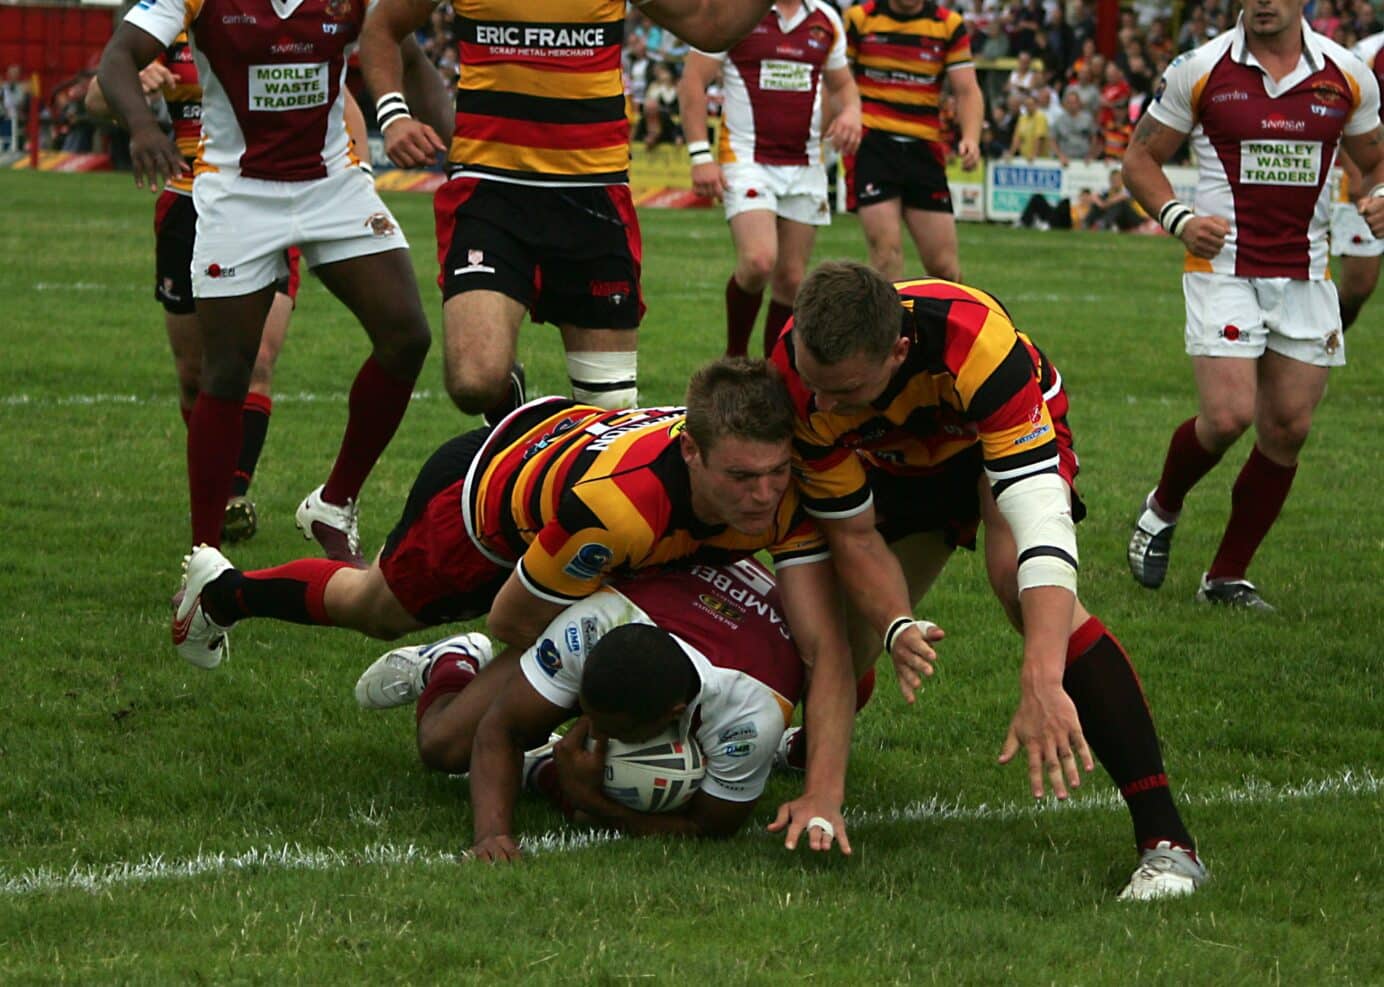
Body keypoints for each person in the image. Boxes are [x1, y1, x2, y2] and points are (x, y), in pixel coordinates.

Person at [173, 357, 856, 854]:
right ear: (694, 454)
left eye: (774, 472)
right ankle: (226, 591)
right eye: (743, 476)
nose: (766, 494)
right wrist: (590, 692)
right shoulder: (617, 514)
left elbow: (825, 646)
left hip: (581, 471)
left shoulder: (778, 486)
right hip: (489, 513)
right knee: (374, 606)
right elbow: (513, 618)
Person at [770, 261, 1207, 900]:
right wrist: (895, 624)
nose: (823, 402)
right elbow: (855, 536)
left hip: (987, 437)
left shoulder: (977, 344)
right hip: (890, 453)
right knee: (850, 638)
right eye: (817, 385)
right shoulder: (800, 380)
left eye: (846, 389)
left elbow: (1042, 531)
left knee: (1015, 583)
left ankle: (1167, 842)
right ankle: (814, 752)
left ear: (896, 351)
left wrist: (1042, 679)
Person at [97, 1, 452, 566]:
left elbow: (404, 51)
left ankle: (334, 504)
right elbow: (117, 56)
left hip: (332, 183)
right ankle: (204, 559)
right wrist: (141, 126)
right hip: (238, 191)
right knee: (226, 371)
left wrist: (458, 146)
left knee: (407, 335)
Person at [359, 0, 789, 422]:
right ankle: (507, 401)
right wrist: (394, 115)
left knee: (609, 411)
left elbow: (708, 24)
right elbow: (382, 26)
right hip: (492, 190)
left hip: (592, 196)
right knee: (475, 381)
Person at [1121, 0, 1384, 609]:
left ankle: (1226, 577)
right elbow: (1140, 159)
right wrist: (1178, 217)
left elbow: (1374, 161)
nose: (1263, 2)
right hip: (1222, 268)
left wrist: (1379, 194)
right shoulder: (1200, 68)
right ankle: (1162, 506)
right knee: (1229, 416)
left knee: (1288, 427)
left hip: (1306, 273)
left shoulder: (1348, 75)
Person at [354, 558, 807, 861]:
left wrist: (594, 801)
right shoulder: (592, 626)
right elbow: (502, 729)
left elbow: (709, 826)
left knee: (659, 785)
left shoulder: (752, 714)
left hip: (754, 646)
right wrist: (491, 834)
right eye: (587, 716)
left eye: (612, 730)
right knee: (443, 746)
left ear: (674, 712)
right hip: (655, 603)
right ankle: (453, 659)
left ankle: (786, 750)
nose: (596, 733)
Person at [84, 36, 335, 543]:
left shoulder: (278, 21)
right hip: (186, 205)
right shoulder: (170, 26)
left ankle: (231, 496)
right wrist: (133, 89)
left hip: (263, 201)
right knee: (193, 374)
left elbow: (341, 95)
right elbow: (94, 98)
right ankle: (217, 485)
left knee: (257, 360)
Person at [678, 0, 861, 359]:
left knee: (791, 280)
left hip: (806, 162)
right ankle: (735, 359)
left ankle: (774, 375)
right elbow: (692, 82)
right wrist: (700, 155)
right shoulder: (736, 10)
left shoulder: (825, 18)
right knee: (759, 261)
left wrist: (853, 111)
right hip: (746, 159)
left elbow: (843, 87)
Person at [843, 0, 985, 282]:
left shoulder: (947, 24)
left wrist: (971, 137)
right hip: (873, 145)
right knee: (886, 254)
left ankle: (945, 324)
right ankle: (891, 327)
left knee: (944, 266)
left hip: (924, 148)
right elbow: (838, 82)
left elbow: (967, 90)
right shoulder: (860, 19)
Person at [1331, 29, 1384, 330]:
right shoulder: (1366, 53)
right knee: (1358, 287)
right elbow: (1341, 113)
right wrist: (1355, 174)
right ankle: (1318, 348)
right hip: (1368, 177)